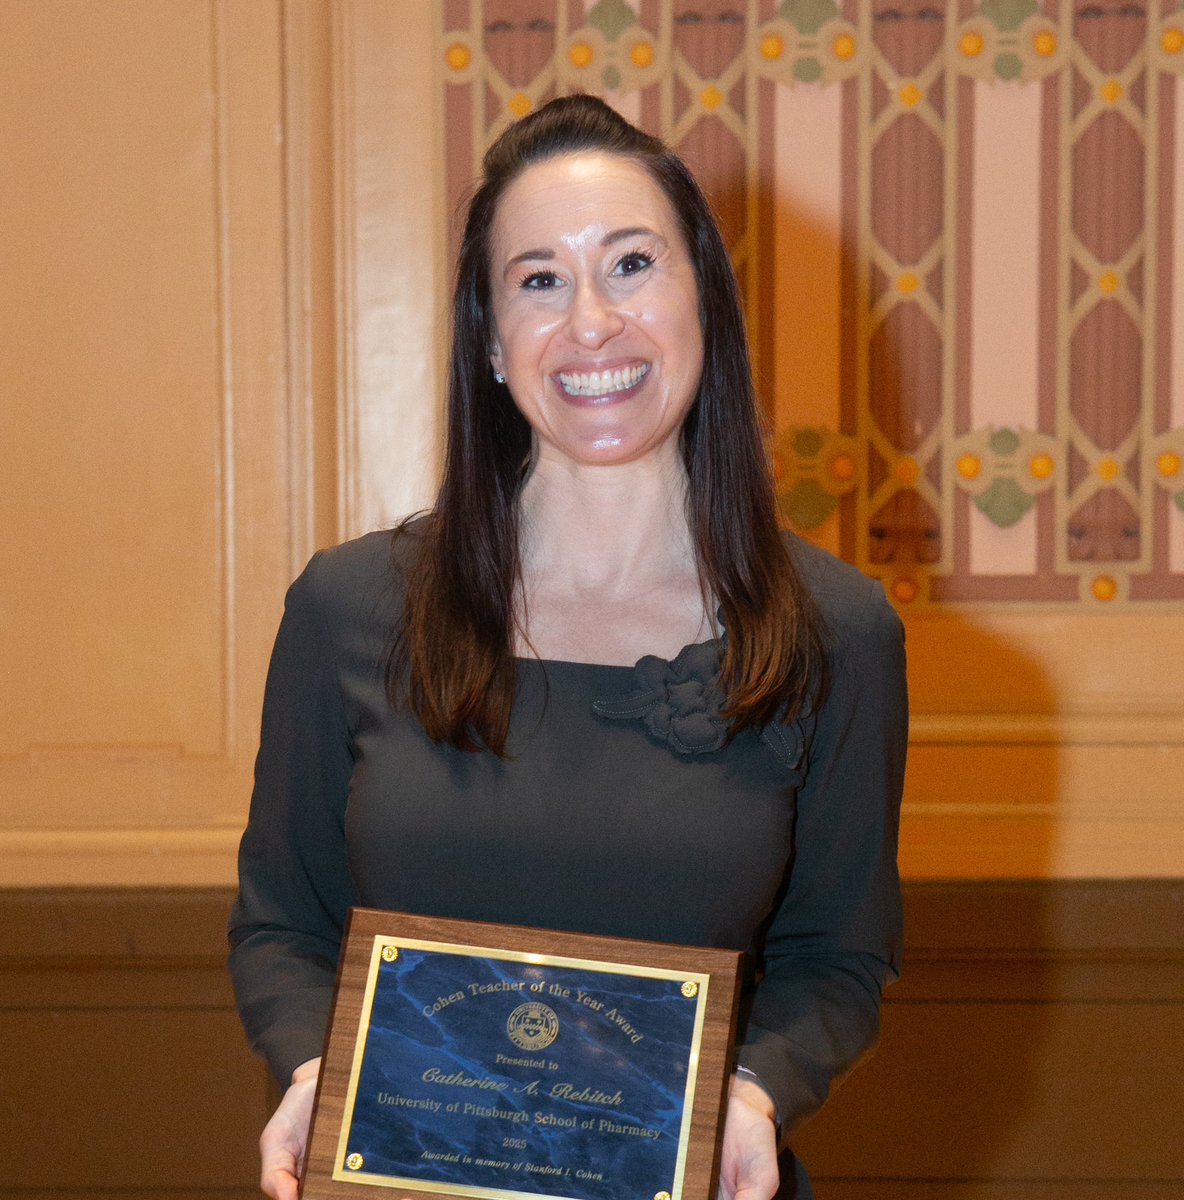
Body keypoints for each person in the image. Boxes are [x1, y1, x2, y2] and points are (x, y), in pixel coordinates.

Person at [228, 94, 907, 1200]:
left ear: (705, 304)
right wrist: (315, 1069)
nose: (590, 322)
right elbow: (280, 922)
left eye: (632, 265)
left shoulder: (839, 634)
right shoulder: (345, 608)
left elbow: (840, 958)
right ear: (494, 343)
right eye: (539, 279)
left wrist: (757, 1095)